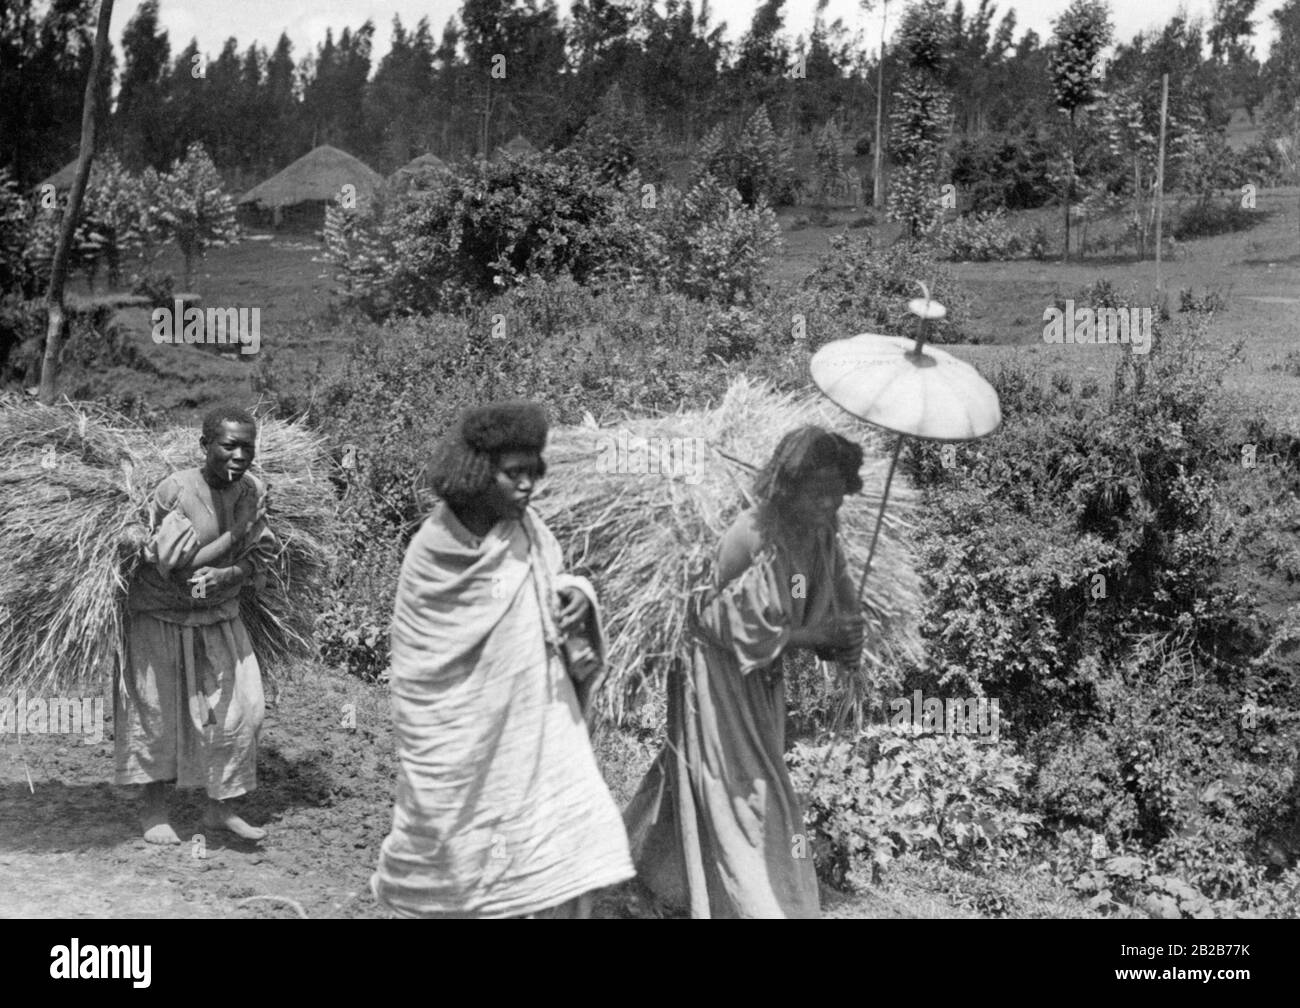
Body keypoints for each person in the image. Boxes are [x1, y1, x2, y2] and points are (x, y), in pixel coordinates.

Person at [371, 400, 634, 918]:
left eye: (534, 473)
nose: (528, 486)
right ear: (478, 473)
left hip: (539, 723)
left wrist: (577, 596)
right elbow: (422, 665)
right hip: (458, 736)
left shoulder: (528, 531)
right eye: (514, 474)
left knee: (569, 839)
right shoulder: (431, 554)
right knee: (459, 851)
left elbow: (549, 582)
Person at [623, 426, 866, 918]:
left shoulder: (821, 532)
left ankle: (664, 874)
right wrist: (817, 638)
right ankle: (764, 903)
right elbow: (718, 621)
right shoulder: (752, 535)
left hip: (762, 680)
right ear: (787, 485)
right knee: (749, 789)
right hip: (714, 675)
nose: (828, 507)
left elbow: (835, 588)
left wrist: (849, 634)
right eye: (818, 495)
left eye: (836, 497)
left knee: (718, 779)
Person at [116, 405, 279, 844]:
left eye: (248, 446)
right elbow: (177, 566)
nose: (240, 456)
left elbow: (261, 554)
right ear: (205, 445)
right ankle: (153, 811)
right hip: (162, 615)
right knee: (157, 713)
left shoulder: (252, 491)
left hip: (219, 615)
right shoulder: (176, 490)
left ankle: (219, 808)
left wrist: (233, 573)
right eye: (229, 446)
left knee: (242, 711)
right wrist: (235, 533)